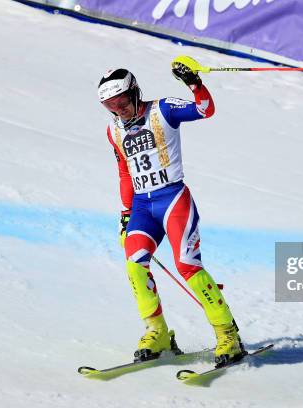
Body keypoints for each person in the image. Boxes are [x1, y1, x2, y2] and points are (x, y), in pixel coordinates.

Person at [97, 57, 245, 367]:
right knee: (135, 264)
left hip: (173, 199)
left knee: (187, 265)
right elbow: (125, 171)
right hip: (141, 206)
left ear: (134, 92)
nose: (118, 108)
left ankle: (226, 333)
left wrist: (194, 83)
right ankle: (158, 332)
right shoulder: (114, 130)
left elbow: (205, 109)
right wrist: (126, 214)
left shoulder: (162, 109)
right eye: (110, 104)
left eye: (121, 100)